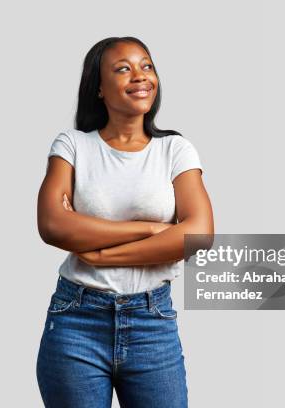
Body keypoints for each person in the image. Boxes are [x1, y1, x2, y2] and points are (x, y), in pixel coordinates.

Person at [36, 36, 214, 408]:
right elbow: (53, 225)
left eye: (147, 65)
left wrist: (99, 251)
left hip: (153, 321)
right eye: (123, 69)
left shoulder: (174, 149)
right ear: (99, 89)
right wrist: (152, 229)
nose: (140, 76)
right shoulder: (73, 146)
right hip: (76, 320)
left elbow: (198, 235)